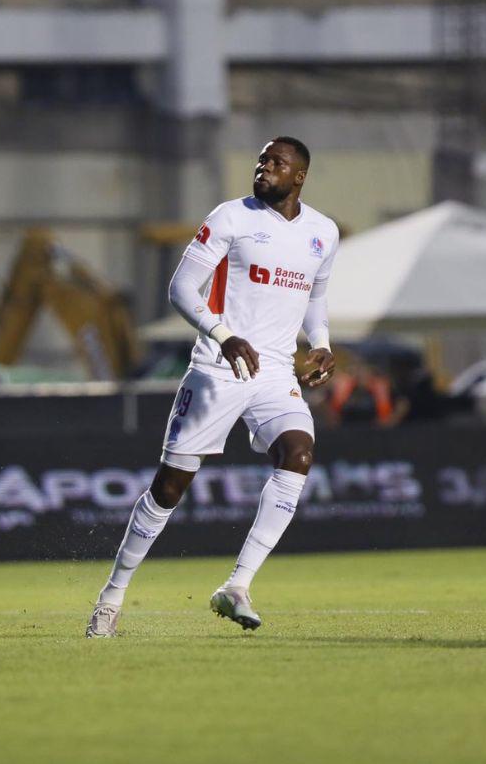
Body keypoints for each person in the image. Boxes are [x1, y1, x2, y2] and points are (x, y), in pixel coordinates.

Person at [87, 137, 338, 637]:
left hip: (273, 374)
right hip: (218, 367)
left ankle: (237, 585)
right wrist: (223, 336)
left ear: (300, 176)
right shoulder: (230, 217)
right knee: (169, 488)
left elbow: (317, 297)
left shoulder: (323, 232)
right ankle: (111, 598)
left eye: (276, 162)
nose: (263, 167)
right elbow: (181, 288)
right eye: (262, 159)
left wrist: (322, 343)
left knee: (300, 454)